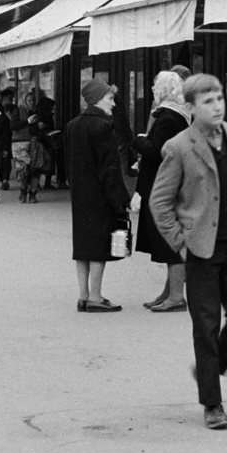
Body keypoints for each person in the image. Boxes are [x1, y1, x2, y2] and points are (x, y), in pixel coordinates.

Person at [149, 74, 227, 430]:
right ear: (192, 107)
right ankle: (213, 404)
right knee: (206, 326)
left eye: (219, 99)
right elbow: (160, 201)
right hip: (201, 249)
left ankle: (209, 368)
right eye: (208, 101)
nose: (217, 106)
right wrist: (180, 243)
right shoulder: (179, 146)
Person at [64, 78, 130, 312]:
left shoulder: (72, 125)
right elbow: (109, 169)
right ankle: (96, 297)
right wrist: (121, 200)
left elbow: (68, 163)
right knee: (100, 247)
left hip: (80, 195)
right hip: (100, 196)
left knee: (82, 245)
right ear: (97, 100)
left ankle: (83, 296)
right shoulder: (103, 126)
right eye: (110, 98)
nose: (113, 104)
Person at [134, 69, 191, 311]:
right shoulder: (175, 116)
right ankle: (169, 292)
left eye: (156, 88)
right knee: (167, 242)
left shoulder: (168, 118)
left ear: (163, 91)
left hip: (163, 188)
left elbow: (157, 150)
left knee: (169, 243)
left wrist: (137, 140)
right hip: (167, 185)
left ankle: (176, 296)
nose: (154, 92)